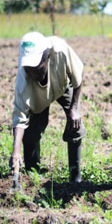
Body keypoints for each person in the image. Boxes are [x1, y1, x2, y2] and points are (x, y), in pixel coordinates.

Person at [10, 32, 86, 183]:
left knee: (75, 124)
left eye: (37, 68)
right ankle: (32, 174)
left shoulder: (60, 51)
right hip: (37, 95)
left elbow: (78, 76)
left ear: (47, 57)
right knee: (30, 132)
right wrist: (15, 152)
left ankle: (75, 177)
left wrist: (75, 109)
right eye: (28, 69)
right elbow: (20, 118)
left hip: (62, 84)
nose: (32, 73)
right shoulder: (24, 79)